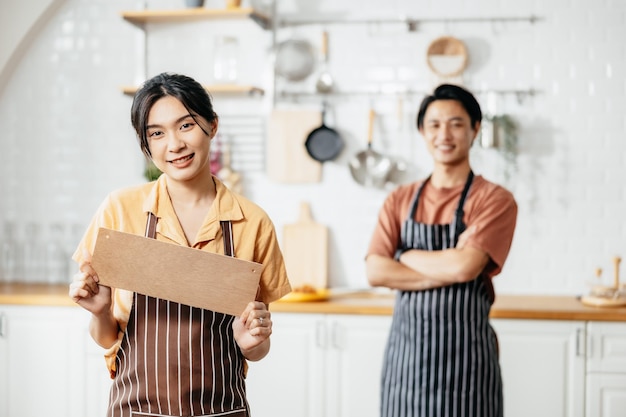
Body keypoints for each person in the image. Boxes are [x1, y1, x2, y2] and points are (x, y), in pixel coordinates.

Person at [68, 72, 291, 417]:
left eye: (186, 125)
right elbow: (107, 338)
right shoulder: (119, 211)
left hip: (221, 410)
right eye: (156, 133)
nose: (174, 145)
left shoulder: (253, 224)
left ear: (212, 125)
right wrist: (99, 311)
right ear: (145, 143)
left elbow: (256, 347)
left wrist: (253, 343)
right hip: (135, 410)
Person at [366, 84, 517, 417]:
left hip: (468, 368)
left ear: (475, 129)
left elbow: (464, 267)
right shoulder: (399, 199)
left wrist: (405, 255)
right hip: (406, 365)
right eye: (434, 124)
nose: (444, 134)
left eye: (456, 123)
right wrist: (448, 266)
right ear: (422, 131)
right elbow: (376, 271)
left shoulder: (494, 199)